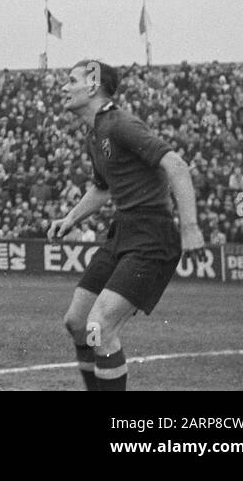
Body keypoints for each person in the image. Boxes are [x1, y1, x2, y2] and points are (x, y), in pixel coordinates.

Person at [48, 60, 207, 391]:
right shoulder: (96, 134)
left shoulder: (119, 123)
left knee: (100, 327)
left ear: (92, 86)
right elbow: (103, 187)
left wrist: (189, 227)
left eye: (71, 80)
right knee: (77, 323)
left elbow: (176, 165)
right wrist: (71, 218)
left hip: (151, 235)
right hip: (123, 231)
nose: (64, 87)